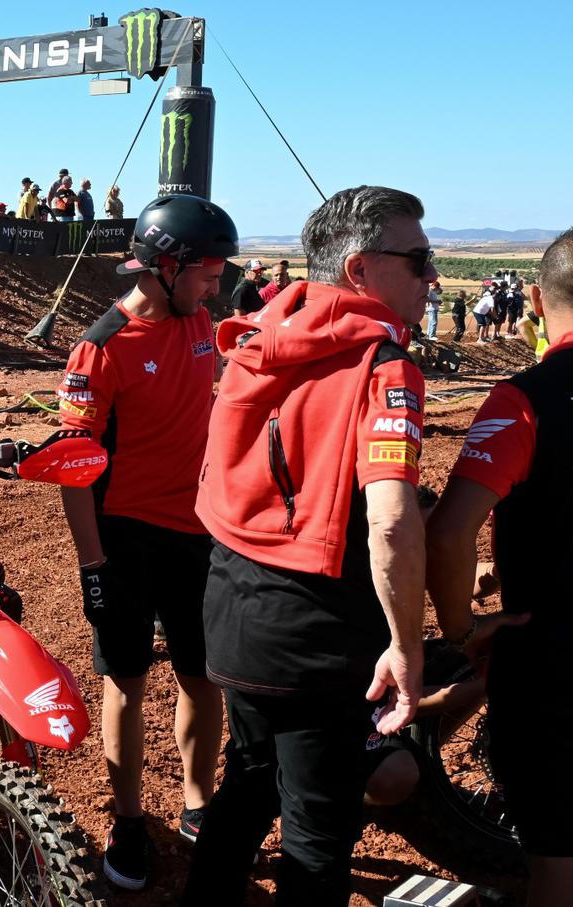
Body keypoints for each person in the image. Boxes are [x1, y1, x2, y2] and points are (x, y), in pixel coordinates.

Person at [183, 185, 435, 906]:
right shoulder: (386, 366)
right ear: (359, 270)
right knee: (318, 837)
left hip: (231, 606)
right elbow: (389, 520)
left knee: (249, 781)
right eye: (418, 259)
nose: (431, 277)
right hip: (318, 631)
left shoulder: (258, 334)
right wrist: (406, 645)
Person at [60, 194, 237, 891]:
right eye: (208, 269)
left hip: (197, 535)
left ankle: (200, 806)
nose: (217, 282)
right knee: (127, 683)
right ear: (165, 265)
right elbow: (75, 468)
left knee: (203, 675)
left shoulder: (202, 323)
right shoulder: (102, 345)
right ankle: (129, 821)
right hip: (125, 537)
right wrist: (92, 565)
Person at [425, 229, 573, 907]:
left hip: (551, 659)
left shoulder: (523, 400)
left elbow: (448, 531)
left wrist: (461, 630)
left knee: (554, 861)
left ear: (536, 300)